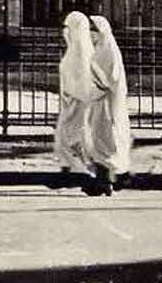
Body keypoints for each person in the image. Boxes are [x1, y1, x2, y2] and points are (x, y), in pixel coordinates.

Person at [87, 15, 132, 193]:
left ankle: (105, 181)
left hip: (106, 101)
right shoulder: (95, 49)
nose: (90, 33)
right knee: (98, 137)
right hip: (96, 100)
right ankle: (109, 179)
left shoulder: (108, 50)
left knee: (105, 137)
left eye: (93, 30)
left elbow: (110, 78)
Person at [54, 11, 97, 182]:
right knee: (68, 134)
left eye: (68, 27)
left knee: (74, 134)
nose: (65, 31)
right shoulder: (73, 52)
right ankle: (71, 166)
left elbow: (83, 81)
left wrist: (72, 93)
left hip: (77, 101)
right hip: (70, 101)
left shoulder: (82, 54)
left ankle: (81, 168)